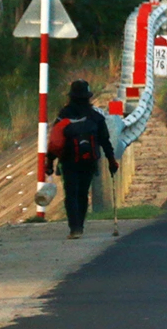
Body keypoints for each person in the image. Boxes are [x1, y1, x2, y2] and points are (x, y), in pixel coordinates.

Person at [46, 79, 118, 240]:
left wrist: (49, 162)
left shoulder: (64, 115)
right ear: (88, 96)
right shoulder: (95, 116)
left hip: (68, 161)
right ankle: (81, 225)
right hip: (89, 161)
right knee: (83, 193)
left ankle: (75, 228)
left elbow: (55, 142)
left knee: (71, 193)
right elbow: (105, 141)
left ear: (71, 96)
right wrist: (112, 161)